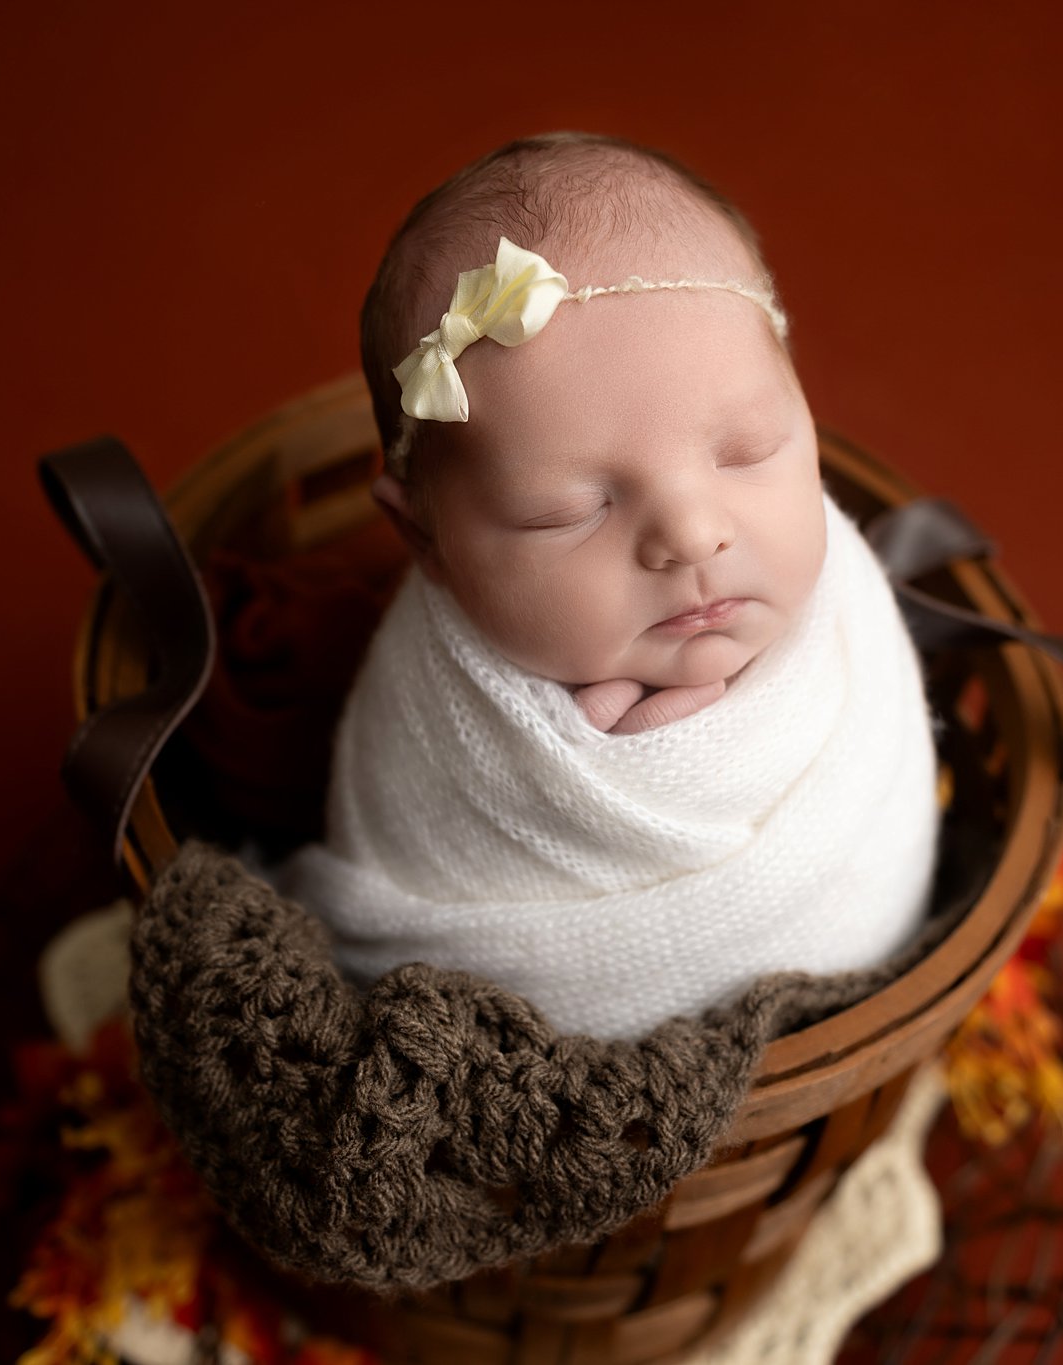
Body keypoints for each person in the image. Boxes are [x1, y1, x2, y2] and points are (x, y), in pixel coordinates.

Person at [276, 133, 940, 1040]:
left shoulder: (842, 609)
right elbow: (413, 871)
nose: (693, 532)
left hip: (856, 1016)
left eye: (748, 451)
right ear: (422, 538)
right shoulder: (431, 704)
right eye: (568, 510)